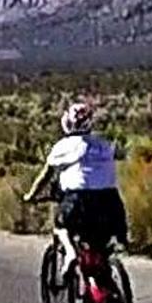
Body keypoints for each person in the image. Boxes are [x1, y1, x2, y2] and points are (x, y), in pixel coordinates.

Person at [23, 102, 127, 265]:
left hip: (78, 199)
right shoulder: (104, 144)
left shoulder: (63, 146)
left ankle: (70, 252)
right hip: (110, 200)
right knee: (101, 243)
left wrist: (31, 195)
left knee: (61, 226)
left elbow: (45, 176)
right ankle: (111, 263)